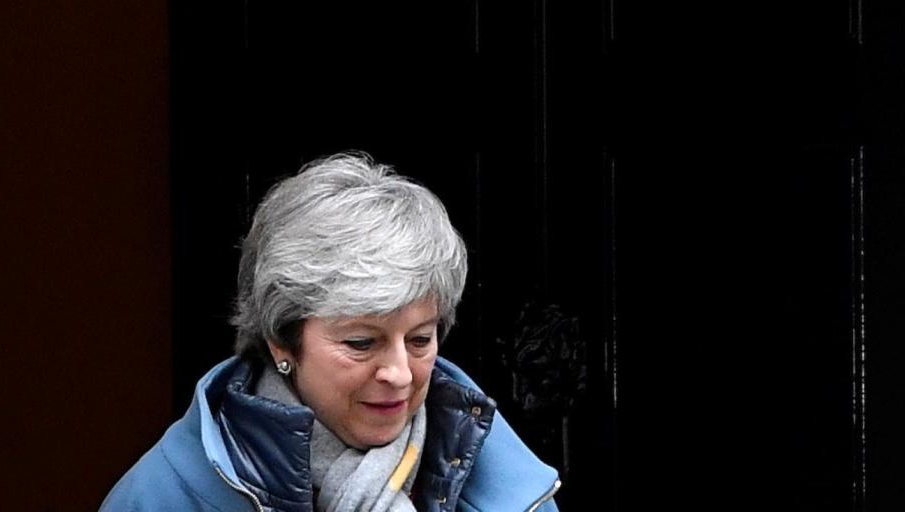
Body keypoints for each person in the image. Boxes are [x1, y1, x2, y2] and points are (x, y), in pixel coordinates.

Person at [100, 152, 561, 512]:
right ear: (282, 340)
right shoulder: (165, 495)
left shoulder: (510, 483)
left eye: (420, 339)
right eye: (362, 343)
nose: (400, 373)